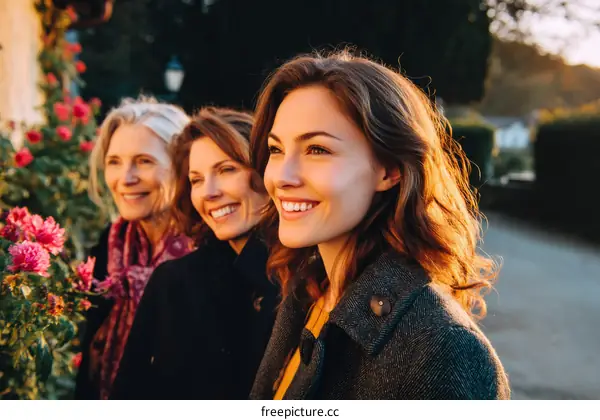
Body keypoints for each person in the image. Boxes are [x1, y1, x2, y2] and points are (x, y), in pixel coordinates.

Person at [248, 50, 511, 400]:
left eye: (317, 150)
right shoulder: (305, 294)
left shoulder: (442, 348)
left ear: (389, 170)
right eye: (276, 149)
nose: (282, 176)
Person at [110, 107, 279, 399]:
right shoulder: (174, 282)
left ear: (267, 172)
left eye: (226, 170)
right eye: (196, 180)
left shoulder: (310, 276)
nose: (209, 192)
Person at [75, 97, 194, 400]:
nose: (125, 178)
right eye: (114, 161)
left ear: (182, 167)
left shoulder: (206, 256)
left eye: (144, 161)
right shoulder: (110, 245)